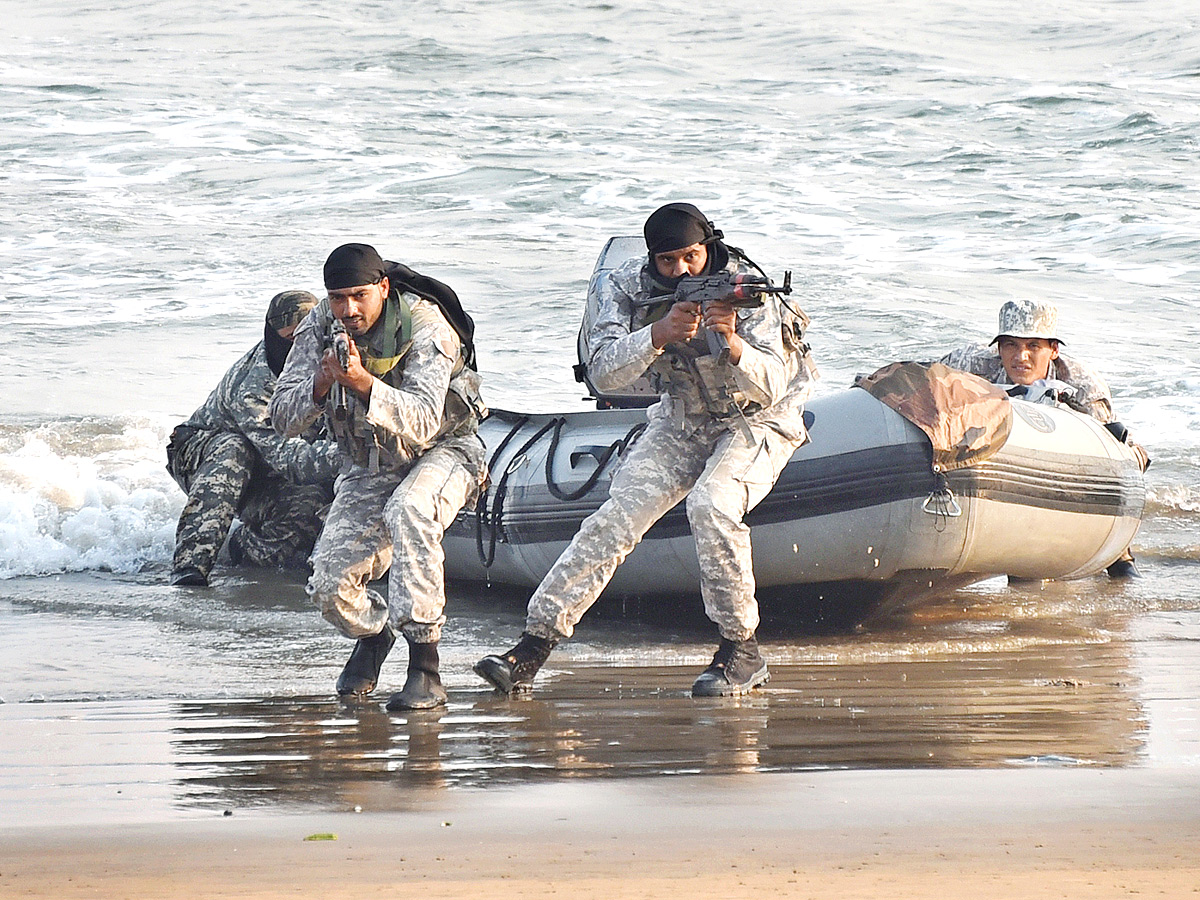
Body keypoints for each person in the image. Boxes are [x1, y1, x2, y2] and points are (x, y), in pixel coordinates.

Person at [474, 203, 816, 698]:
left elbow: (773, 386)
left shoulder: (746, 289)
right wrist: (657, 335)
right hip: (682, 418)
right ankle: (531, 648)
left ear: (708, 250)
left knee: (713, 504)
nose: (681, 270)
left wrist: (731, 341)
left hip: (756, 420)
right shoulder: (625, 290)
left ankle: (741, 649)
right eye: (668, 260)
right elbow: (603, 373)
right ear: (652, 260)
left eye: (692, 257)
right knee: (614, 520)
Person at [269, 243, 487, 711]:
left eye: (359, 296)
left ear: (383, 289)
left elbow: (426, 419)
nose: (348, 310)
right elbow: (281, 420)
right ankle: (374, 636)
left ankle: (425, 667)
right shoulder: (320, 328)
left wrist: (363, 384)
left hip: (445, 452)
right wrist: (321, 385)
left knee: (410, 509)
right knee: (330, 587)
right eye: (337, 299)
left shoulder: (426, 326)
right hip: (370, 464)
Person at [939, 298, 1148, 577]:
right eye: (1010, 345)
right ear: (998, 348)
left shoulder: (1081, 383)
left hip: (1066, 461)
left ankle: (1120, 557)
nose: (1020, 356)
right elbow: (921, 380)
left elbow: (1109, 446)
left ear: (1053, 350)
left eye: (1033, 346)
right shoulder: (972, 363)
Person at [167, 290, 340, 587]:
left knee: (309, 507)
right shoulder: (254, 386)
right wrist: (350, 454)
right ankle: (191, 564)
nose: (301, 348)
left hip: (270, 469)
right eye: (290, 340)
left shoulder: (333, 359)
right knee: (233, 451)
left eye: (308, 337)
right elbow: (287, 457)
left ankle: (242, 548)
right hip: (205, 455)